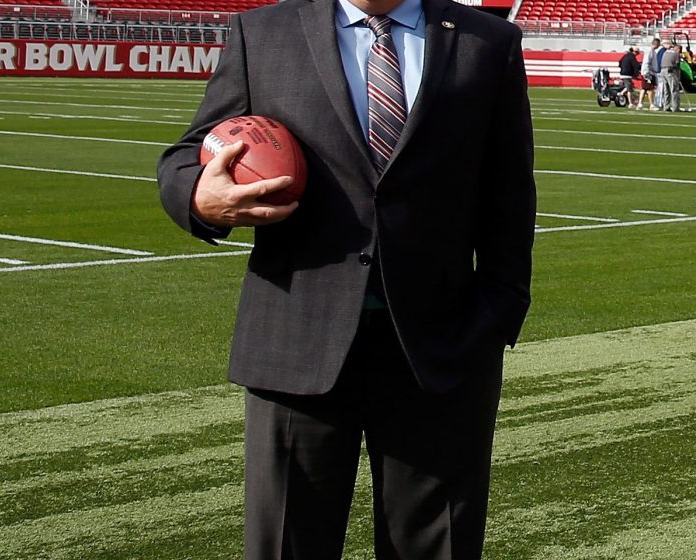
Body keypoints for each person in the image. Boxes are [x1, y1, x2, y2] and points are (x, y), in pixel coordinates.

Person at [157, 0, 536, 557]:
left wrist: (497, 313)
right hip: (295, 341)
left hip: (442, 349)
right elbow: (191, 152)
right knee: (288, 545)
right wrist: (198, 195)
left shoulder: (486, 39)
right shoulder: (263, 32)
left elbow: (510, 192)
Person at [660, 41, 682, 112]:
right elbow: (677, 65)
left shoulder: (666, 52)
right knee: (674, 90)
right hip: (670, 71)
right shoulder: (676, 54)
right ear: (678, 49)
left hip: (663, 70)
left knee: (666, 90)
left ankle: (666, 106)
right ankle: (675, 107)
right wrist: (678, 77)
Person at [638, 38, 659, 110]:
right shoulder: (650, 51)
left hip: (648, 71)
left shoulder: (652, 51)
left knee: (644, 88)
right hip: (648, 72)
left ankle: (640, 104)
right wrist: (647, 72)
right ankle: (651, 104)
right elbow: (647, 62)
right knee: (650, 89)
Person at [650, 37, 666, 110]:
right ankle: (659, 103)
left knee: (659, 88)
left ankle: (658, 102)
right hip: (660, 71)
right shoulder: (662, 51)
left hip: (657, 71)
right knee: (661, 88)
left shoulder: (655, 51)